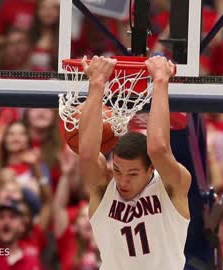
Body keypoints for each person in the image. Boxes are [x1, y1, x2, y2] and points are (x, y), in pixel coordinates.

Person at [78, 55, 191, 270]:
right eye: (118, 170)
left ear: (151, 169)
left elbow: (158, 149)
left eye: (133, 174)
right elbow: (86, 155)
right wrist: (96, 83)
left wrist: (160, 81)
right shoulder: (104, 188)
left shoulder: (171, 187)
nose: (123, 181)